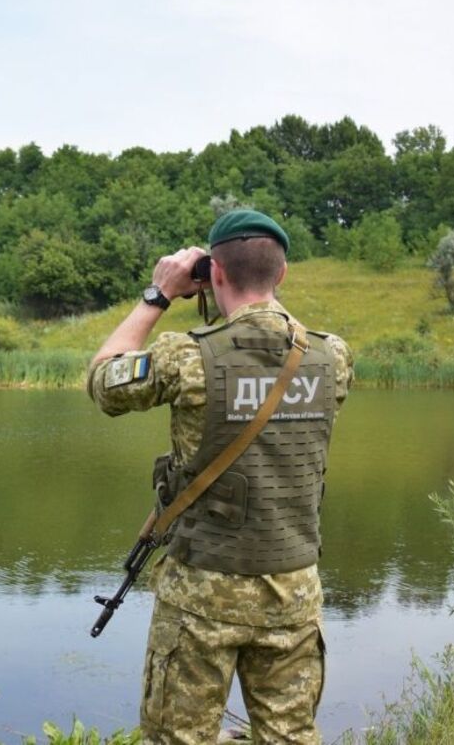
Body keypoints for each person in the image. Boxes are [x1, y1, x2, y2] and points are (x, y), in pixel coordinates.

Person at [86, 210, 353, 744]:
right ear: (282, 275)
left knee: (178, 738)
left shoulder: (187, 356)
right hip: (294, 591)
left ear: (215, 275)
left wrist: (157, 295)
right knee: (290, 737)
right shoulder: (332, 356)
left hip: (201, 594)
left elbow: (103, 380)